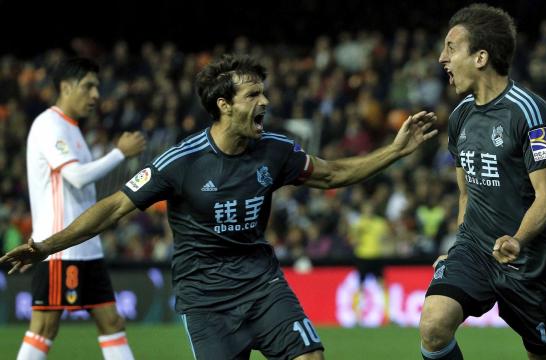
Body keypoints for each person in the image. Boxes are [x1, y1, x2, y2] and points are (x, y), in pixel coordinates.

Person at [2, 54, 438, 360]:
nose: (264, 102)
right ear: (224, 105)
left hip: (263, 286)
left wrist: (395, 151)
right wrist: (45, 246)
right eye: (252, 95)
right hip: (206, 299)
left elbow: (334, 174)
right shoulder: (180, 162)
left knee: (311, 356)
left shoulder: (275, 150)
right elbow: (113, 208)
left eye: (262, 93)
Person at [420, 4, 546, 360]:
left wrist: (518, 240)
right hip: (474, 251)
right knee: (433, 325)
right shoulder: (460, 117)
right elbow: (465, 193)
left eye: (451, 47)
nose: (442, 58)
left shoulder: (530, 112)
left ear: (480, 57)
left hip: (530, 260)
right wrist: (459, 246)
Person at [18, 57, 146, 360]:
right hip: (62, 248)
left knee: (112, 322)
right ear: (65, 86)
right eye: (89, 86)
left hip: (87, 247)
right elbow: (75, 177)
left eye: (97, 88)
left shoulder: (71, 129)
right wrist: (119, 154)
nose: (95, 95)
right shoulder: (49, 124)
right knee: (44, 328)